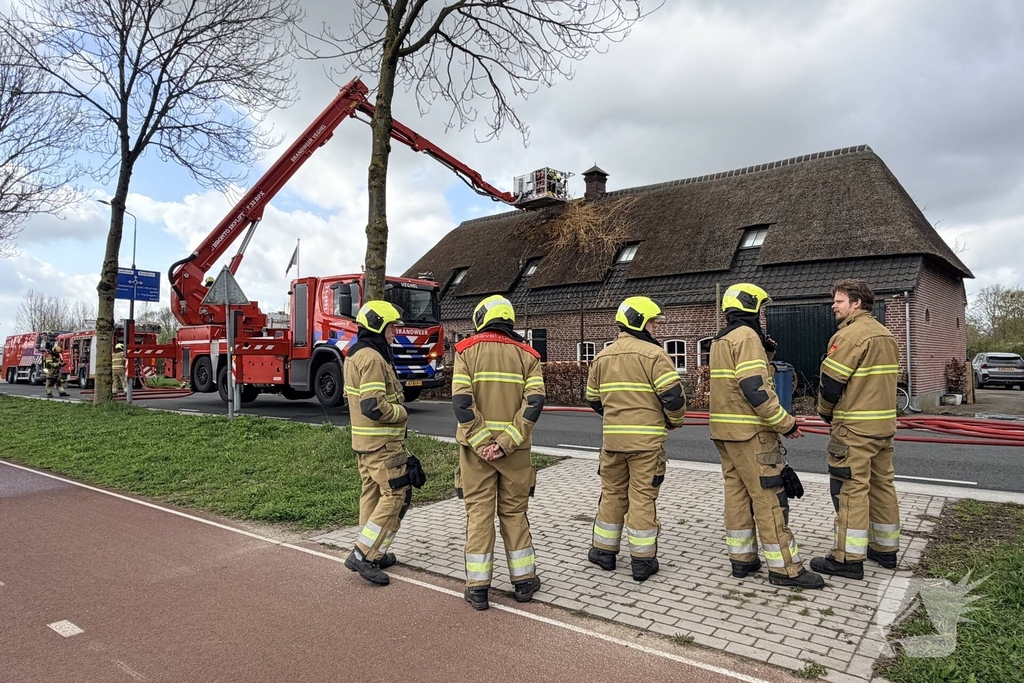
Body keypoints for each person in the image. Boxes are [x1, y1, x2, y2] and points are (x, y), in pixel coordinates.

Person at [709, 284, 824, 589]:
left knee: (736, 495)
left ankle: (742, 560)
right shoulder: (747, 338)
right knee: (769, 498)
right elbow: (754, 388)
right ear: (751, 309)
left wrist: (767, 349)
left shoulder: (723, 340)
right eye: (761, 309)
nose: (763, 315)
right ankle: (785, 569)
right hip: (752, 434)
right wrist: (785, 423)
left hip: (724, 433)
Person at [452, 295, 545, 610]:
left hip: (475, 454)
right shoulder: (528, 355)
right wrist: (506, 442)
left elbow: (462, 403)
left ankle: (478, 588)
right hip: (515, 454)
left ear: (482, 317)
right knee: (514, 515)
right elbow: (534, 405)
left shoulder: (466, 351)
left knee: (479, 516)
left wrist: (481, 443)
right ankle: (524, 583)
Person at [585, 296, 686, 582]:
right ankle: (642, 561)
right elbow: (673, 397)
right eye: (653, 321)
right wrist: (674, 421)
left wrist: (615, 418)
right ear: (640, 321)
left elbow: (593, 398)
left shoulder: (602, 356)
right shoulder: (655, 355)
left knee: (612, 494)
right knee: (642, 498)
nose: (656, 327)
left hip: (613, 443)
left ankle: (604, 553)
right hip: (647, 445)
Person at [811, 279, 902, 580]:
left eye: (838, 301)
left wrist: (824, 412)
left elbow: (832, 383)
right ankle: (885, 549)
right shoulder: (887, 336)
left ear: (856, 303)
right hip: (884, 427)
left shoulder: (850, 336)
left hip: (855, 429)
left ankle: (848, 559)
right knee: (882, 486)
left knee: (851, 490)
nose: (833, 306)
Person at [343, 301, 414, 586]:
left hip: (364, 444)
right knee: (396, 496)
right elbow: (373, 405)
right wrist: (402, 413)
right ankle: (362, 554)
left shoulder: (355, 355)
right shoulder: (372, 358)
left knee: (371, 496)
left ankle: (374, 550)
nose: (394, 333)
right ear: (378, 326)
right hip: (383, 445)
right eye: (392, 327)